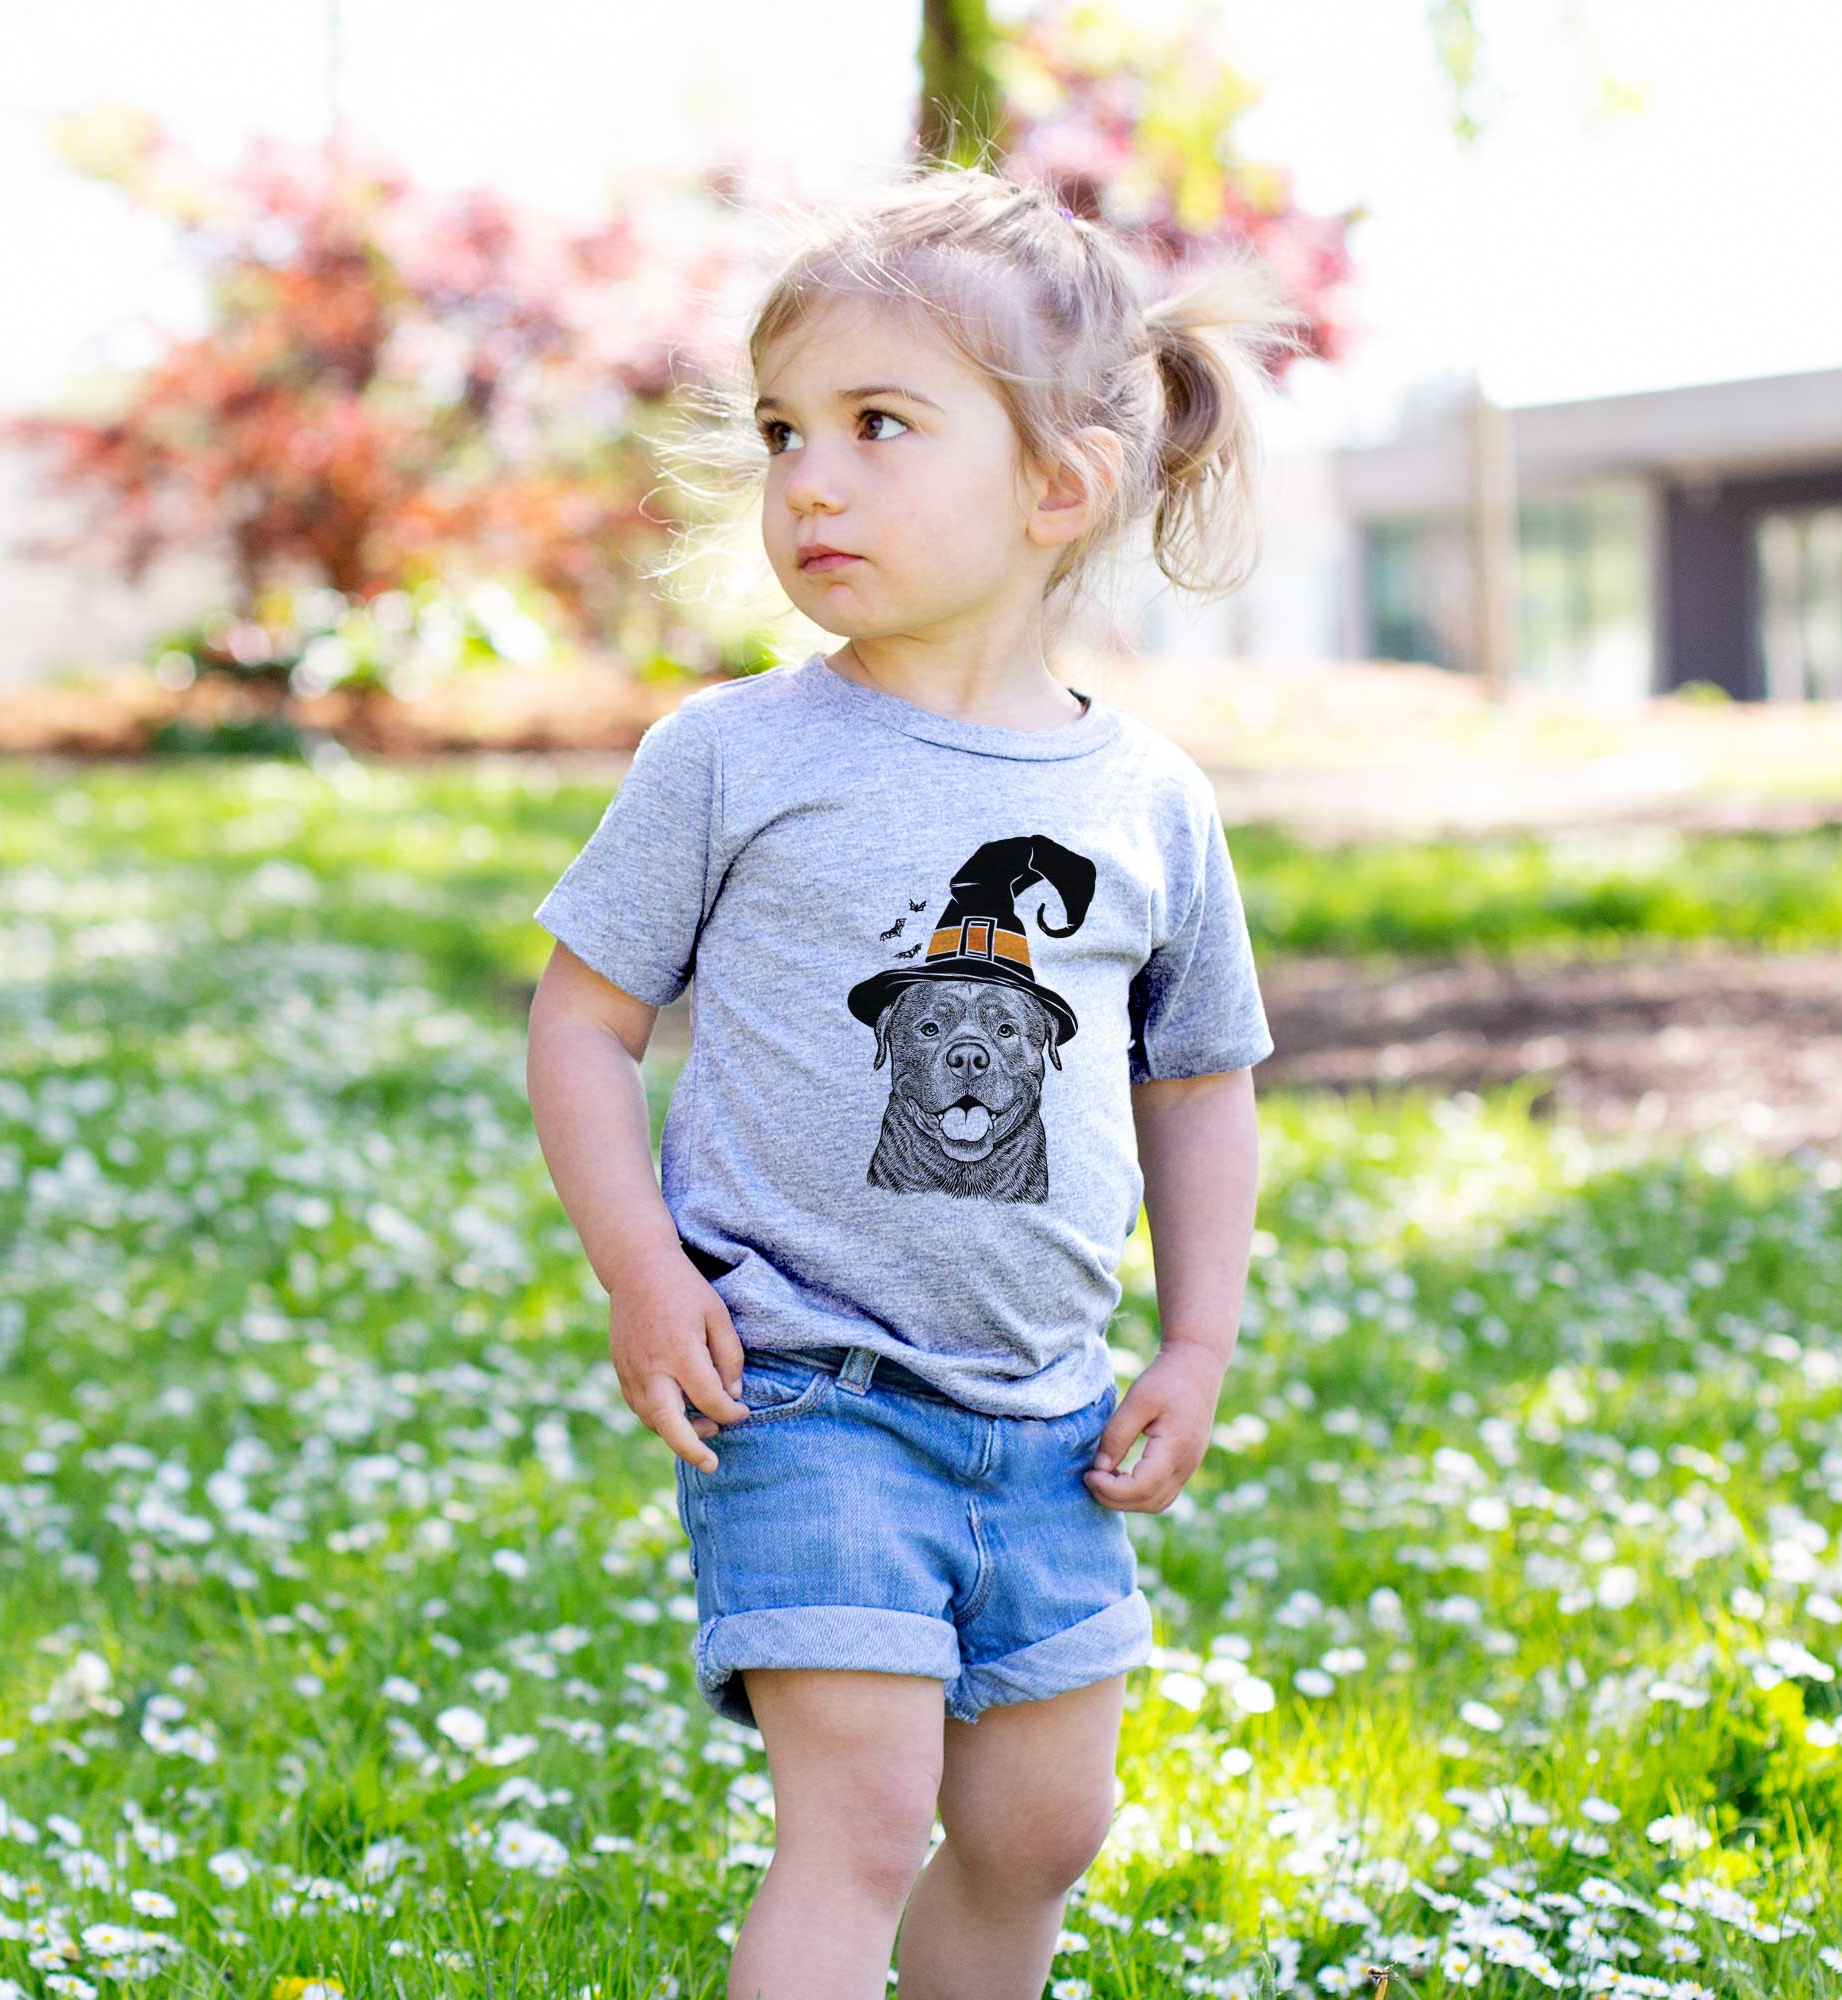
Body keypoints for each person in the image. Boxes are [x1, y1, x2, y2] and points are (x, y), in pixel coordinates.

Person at [525, 160, 1303, 2000]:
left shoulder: (1150, 803)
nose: (809, 479)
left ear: (1060, 487)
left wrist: (1197, 1343)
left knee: (1040, 1835)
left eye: (879, 425)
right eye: (783, 430)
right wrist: (642, 1268)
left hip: (1051, 1417)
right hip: (804, 1384)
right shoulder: (732, 755)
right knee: (863, 1821)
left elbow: (1200, 1083)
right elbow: (581, 1023)